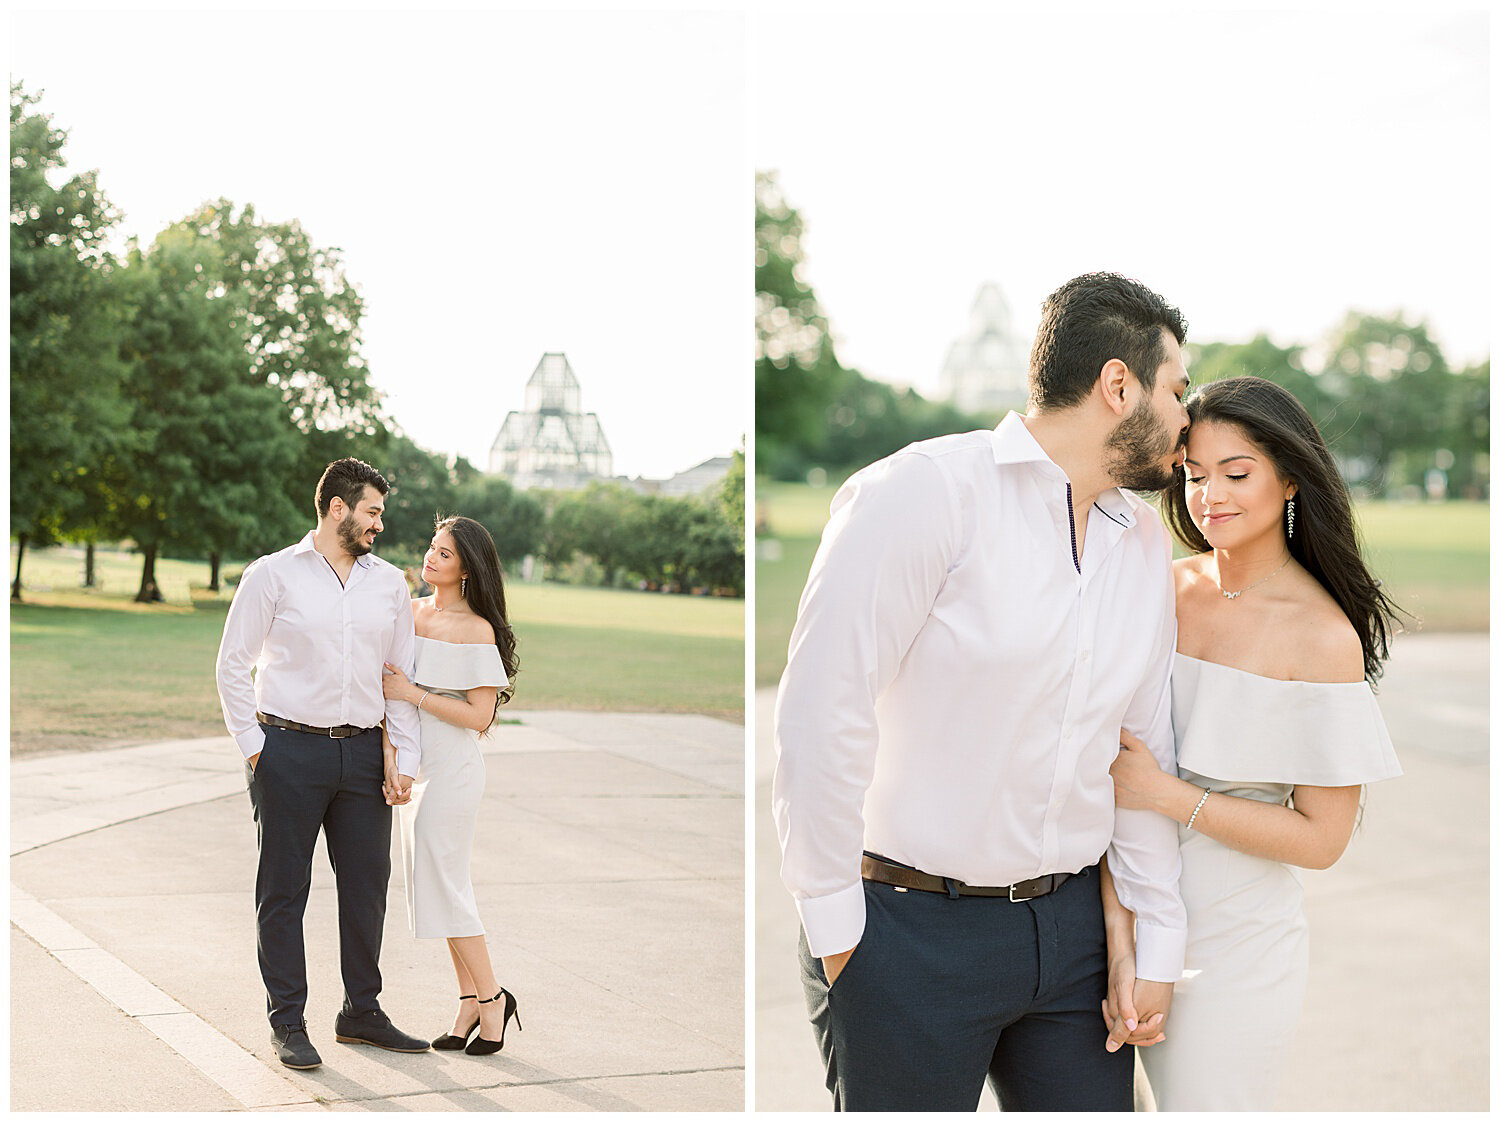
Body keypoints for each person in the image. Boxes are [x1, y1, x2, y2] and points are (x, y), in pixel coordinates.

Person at [772, 272, 1193, 1111]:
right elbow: (823, 713)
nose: (1188, 416)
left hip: (1073, 945)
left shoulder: (1141, 542)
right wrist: (837, 934)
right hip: (906, 936)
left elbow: (1139, 750)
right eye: (1177, 390)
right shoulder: (922, 493)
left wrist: (1153, 940)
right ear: (1119, 386)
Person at [1103, 376, 1402, 1110]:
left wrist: (1167, 795)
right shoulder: (1158, 589)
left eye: (1236, 474)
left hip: (1235, 951)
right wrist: (1121, 936)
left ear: (1292, 478)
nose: (1211, 496)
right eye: (1196, 475)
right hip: (1111, 918)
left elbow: (1322, 839)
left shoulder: (1322, 636)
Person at [215, 457, 430, 1070]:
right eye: (372, 512)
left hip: (363, 754)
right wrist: (257, 751)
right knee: (284, 892)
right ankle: (288, 1021)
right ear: (338, 507)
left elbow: (399, 678)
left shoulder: (389, 583)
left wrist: (401, 758)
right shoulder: (272, 576)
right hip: (287, 750)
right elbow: (233, 664)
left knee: (368, 889)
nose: (378, 525)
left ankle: (362, 1012)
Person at [379, 515, 523, 1055]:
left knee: (447, 884)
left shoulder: (477, 630)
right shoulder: (411, 613)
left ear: (467, 568)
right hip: (415, 771)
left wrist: (414, 692)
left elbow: (479, 716)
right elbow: (388, 696)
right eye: (431, 548)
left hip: (455, 771)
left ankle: (492, 999)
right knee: (433, 888)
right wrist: (393, 758)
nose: (431, 558)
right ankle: (467, 1003)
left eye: (444, 553)